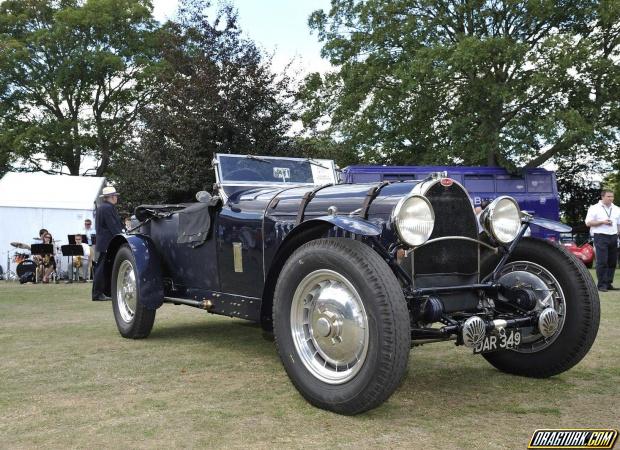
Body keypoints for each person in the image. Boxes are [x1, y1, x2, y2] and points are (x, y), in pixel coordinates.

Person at [585, 189, 620, 292]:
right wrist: (602, 222)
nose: (611, 199)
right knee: (602, 261)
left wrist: (618, 234)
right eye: (608, 196)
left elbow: (618, 224)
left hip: (613, 236)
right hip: (600, 236)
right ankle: (601, 285)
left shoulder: (617, 209)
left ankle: (609, 283)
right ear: (602, 197)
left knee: (612, 262)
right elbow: (588, 223)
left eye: (612, 197)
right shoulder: (594, 208)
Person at [92, 186, 123, 301]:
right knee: (102, 268)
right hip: (107, 242)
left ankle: (102, 292)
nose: (116, 198)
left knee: (103, 267)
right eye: (115, 196)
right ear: (111, 197)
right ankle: (98, 293)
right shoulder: (107, 208)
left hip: (104, 241)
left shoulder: (103, 207)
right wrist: (121, 235)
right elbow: (113, 225)